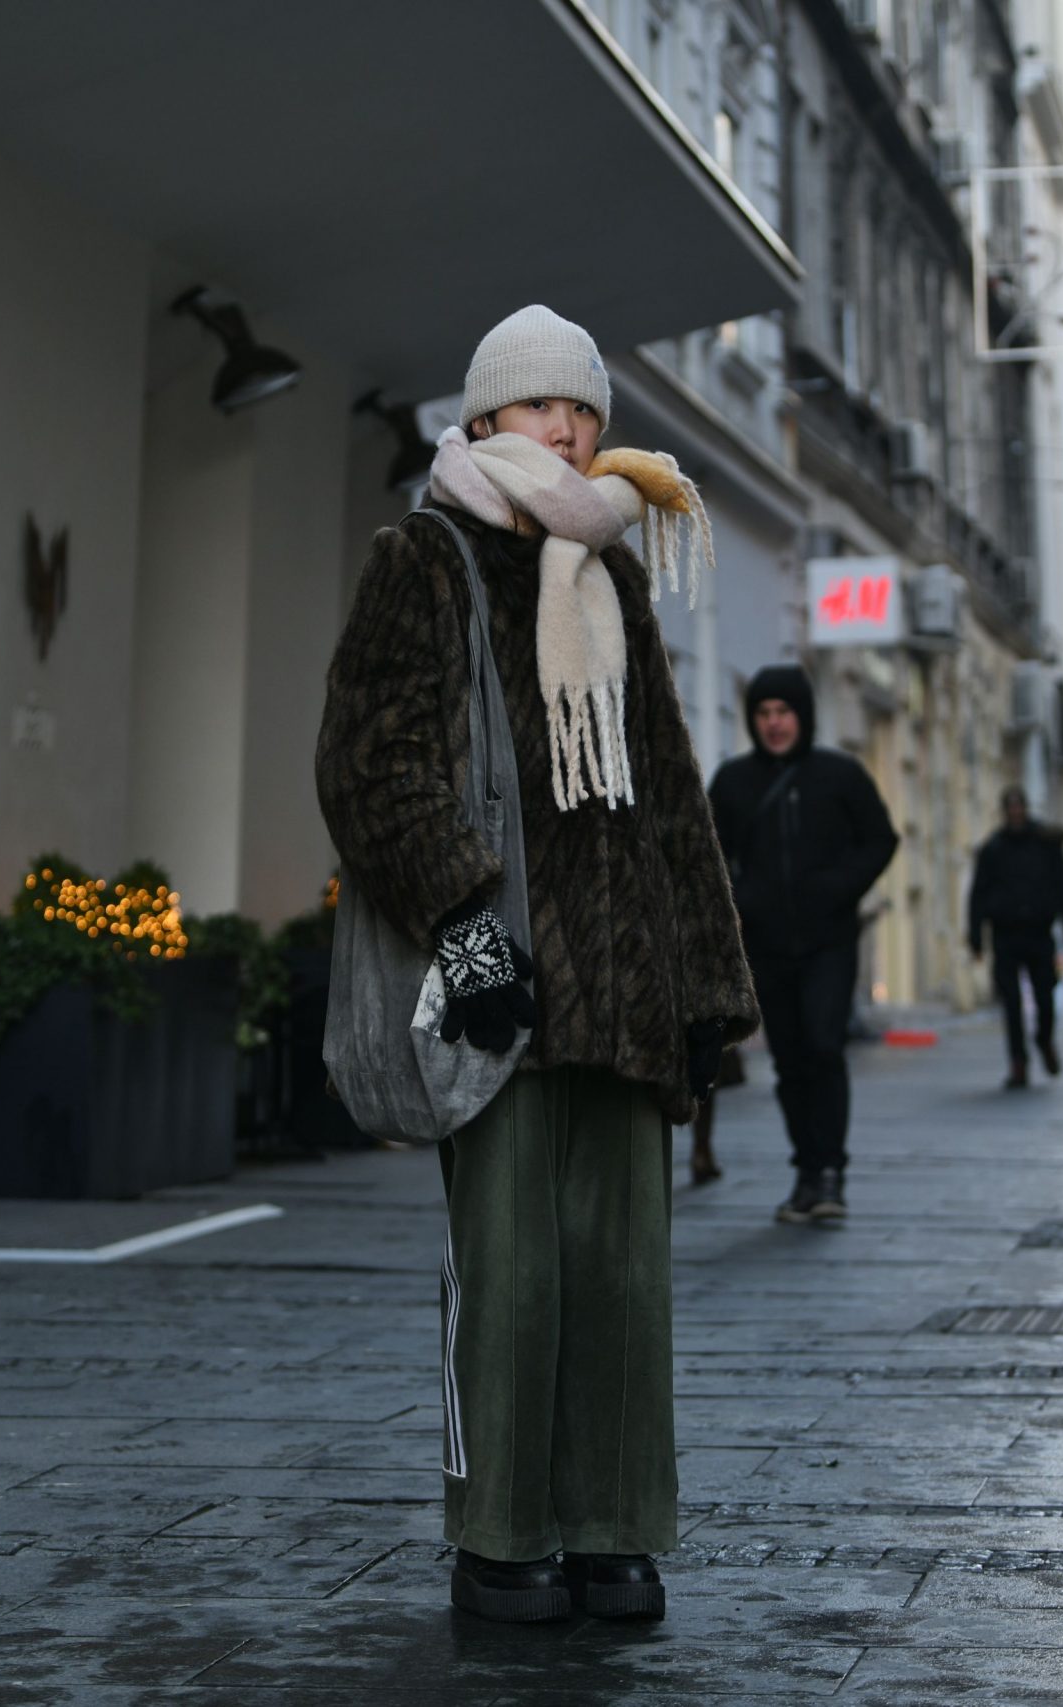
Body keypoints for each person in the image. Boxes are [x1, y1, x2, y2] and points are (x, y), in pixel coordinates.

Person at [315, 306, 758, 1625]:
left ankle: (614, 1530)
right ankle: (501, 1538)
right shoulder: (425, 555)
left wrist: (704, 987)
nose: (564, 429)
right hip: (499, 983)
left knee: (621, 1281)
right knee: (511, 1278)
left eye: (582, 409)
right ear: (486, 418)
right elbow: (369, 761)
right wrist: (462, 922)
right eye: (537, 406)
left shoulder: (609, 571)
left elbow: (666, 792)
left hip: (621, 990)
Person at [708, 665, 898, 1227]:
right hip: (766, 945)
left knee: (823, 1045)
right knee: (789, 1059)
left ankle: (830, 1170)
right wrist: (742, 898)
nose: (774, 723)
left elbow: (880, 840)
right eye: (764, 713)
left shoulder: (839, 775)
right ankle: (806, 1173)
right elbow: (708, 853)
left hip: (829, 941)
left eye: (783, 712)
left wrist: (838, 887)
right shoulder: (734, 781)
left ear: (803, 716)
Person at [968, 786, 1063, 1089]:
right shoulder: (993, 849)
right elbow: (978, 895)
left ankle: (1044, 1039)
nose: (1016, 813)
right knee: (1011, 1002)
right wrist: (976, 937)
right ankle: (1018, 1061)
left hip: (1039, 932)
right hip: (1005, 934)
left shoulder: (1045, 844)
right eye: (1011, 809)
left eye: (1019, 808)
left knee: (1045, 995)